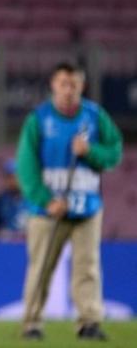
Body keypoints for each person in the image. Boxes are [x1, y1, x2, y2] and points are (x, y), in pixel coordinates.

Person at [17, 62, 122, 341]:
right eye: (63, 84)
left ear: (82, 86)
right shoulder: (38, 120)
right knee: (40, 266)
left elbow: (114, 152)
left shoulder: (95, 116)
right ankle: (32, 322)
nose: (68, 90)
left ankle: (89, 322)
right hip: (48, 211)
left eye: (73, 84)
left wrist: (91, 151)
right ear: (53, 85)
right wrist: (46, 200)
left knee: (87, 266)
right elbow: (26, 168)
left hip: (86, 207)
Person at [0, 159, 27, 241]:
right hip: (7, 246)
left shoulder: (33, 200)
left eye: (14, 177)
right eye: (8, 177)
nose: (11, 181)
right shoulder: (0, 200)